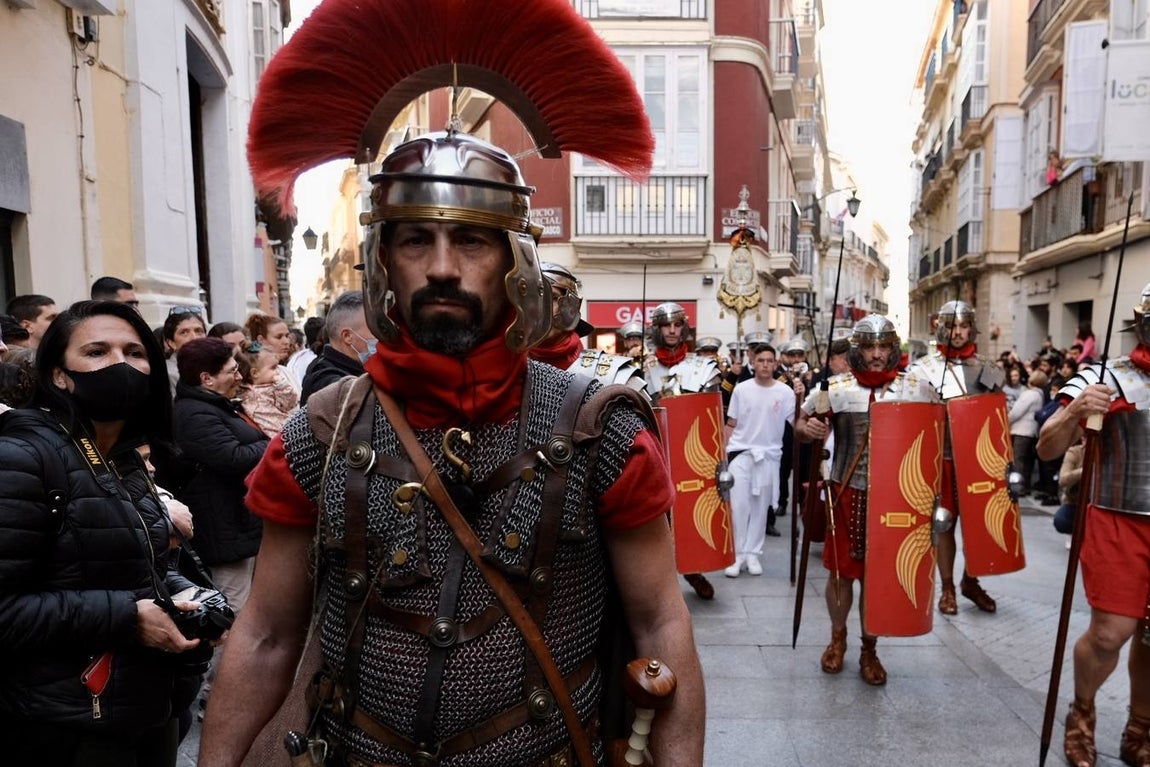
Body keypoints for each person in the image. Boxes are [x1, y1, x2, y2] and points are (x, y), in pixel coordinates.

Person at [198, 10, 704, 759]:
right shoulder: (320, 433)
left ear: (513, 262)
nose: (441, 267)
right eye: (415, 239)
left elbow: (661, 623)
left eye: (469, 239)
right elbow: (267, 634)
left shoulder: (598, 430)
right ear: (383, 261)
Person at [0, 300, 210, 765]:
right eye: (97, 352)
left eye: (135, 352)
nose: (121, 365)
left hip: (145, 709)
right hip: (65, 726)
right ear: (59, 375)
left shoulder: (124, 457)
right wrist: (127, 616)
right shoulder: (22, 457)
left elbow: (125, 564)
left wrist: (184, 597)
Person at [1036, 283, 1150, 767]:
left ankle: (1140, 729)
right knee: (1110, 633)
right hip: (1117, 518)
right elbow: (1046, 446)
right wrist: (1077, 410)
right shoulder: (1108, 377)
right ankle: (1081, 715)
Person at [796, 314, 938, 686]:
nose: (877, 355)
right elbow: (801, 424)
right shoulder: (836, 388)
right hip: (845, 493)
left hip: (895, 500)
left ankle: (869, 648)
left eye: (884, 347)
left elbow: (935, 437)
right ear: (857, 351)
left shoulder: (917, 388)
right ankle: (837, 636)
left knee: (877, 577)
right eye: (870, 347)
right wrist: (810, 428)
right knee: (840, 575)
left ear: (893, 349)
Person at [908, 299, 1004, 616]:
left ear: (972, 329)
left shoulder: (989, 370)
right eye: (952, 326)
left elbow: (997, 419)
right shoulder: (923, 370)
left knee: (981, 524)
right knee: (944, 524)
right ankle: (947, 587)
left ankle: (970, 581)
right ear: (941, 328)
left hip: (979, 461)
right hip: (943, 459)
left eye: (963, 326)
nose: (958, 332)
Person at [643, 301, 723, 597]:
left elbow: (711, 421)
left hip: (691, 456)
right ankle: (660, 578)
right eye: (667, 325)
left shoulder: (703, 369)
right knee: (656, 518)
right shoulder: (641, 369)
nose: (672, 330)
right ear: (657, 329)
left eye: (677, 325)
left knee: (689, 514)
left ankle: (692, 568)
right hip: (655, 451)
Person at [723, 343, 794, 577]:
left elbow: (797, 421)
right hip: (741, 453)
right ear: (753, 363)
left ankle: (752, 553)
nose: (765, 365)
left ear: (775, 364)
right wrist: (723, 454)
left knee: (760, 508)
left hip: (768, 457)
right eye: (761, 360)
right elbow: (731, 423)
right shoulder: (741, 389)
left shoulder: (785, 393)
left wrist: (803, 396)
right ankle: (737, 555)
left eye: (769, 361)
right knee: (739, 506)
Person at [300, 290, 370, 405]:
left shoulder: (357, 367)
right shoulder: (325, 380)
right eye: (374, 329)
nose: (381, 336)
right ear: (347, 336)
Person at [237, 339, 299, 437]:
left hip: (286, 432)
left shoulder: (275, 387)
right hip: (272, 435)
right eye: (273, 367)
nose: (278, 371)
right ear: (255, 373)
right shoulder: (245, 391)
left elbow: (290, 403)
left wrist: (282, 386)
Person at [1007, 369, 1046, 495]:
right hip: (1031, 431)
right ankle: (1026, 486)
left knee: (1019, 460)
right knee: (1027, 462)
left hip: (1021, 430)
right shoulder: (1040, 394)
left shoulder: (1029, 394)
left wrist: (1006, 420)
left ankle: (1019, 487)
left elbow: (1016, 411)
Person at [162, 307, 208, 397]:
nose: (194, 338)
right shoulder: (167, 373)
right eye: (184, 332)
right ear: (171, 343)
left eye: (198, 331)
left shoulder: (215, 366)